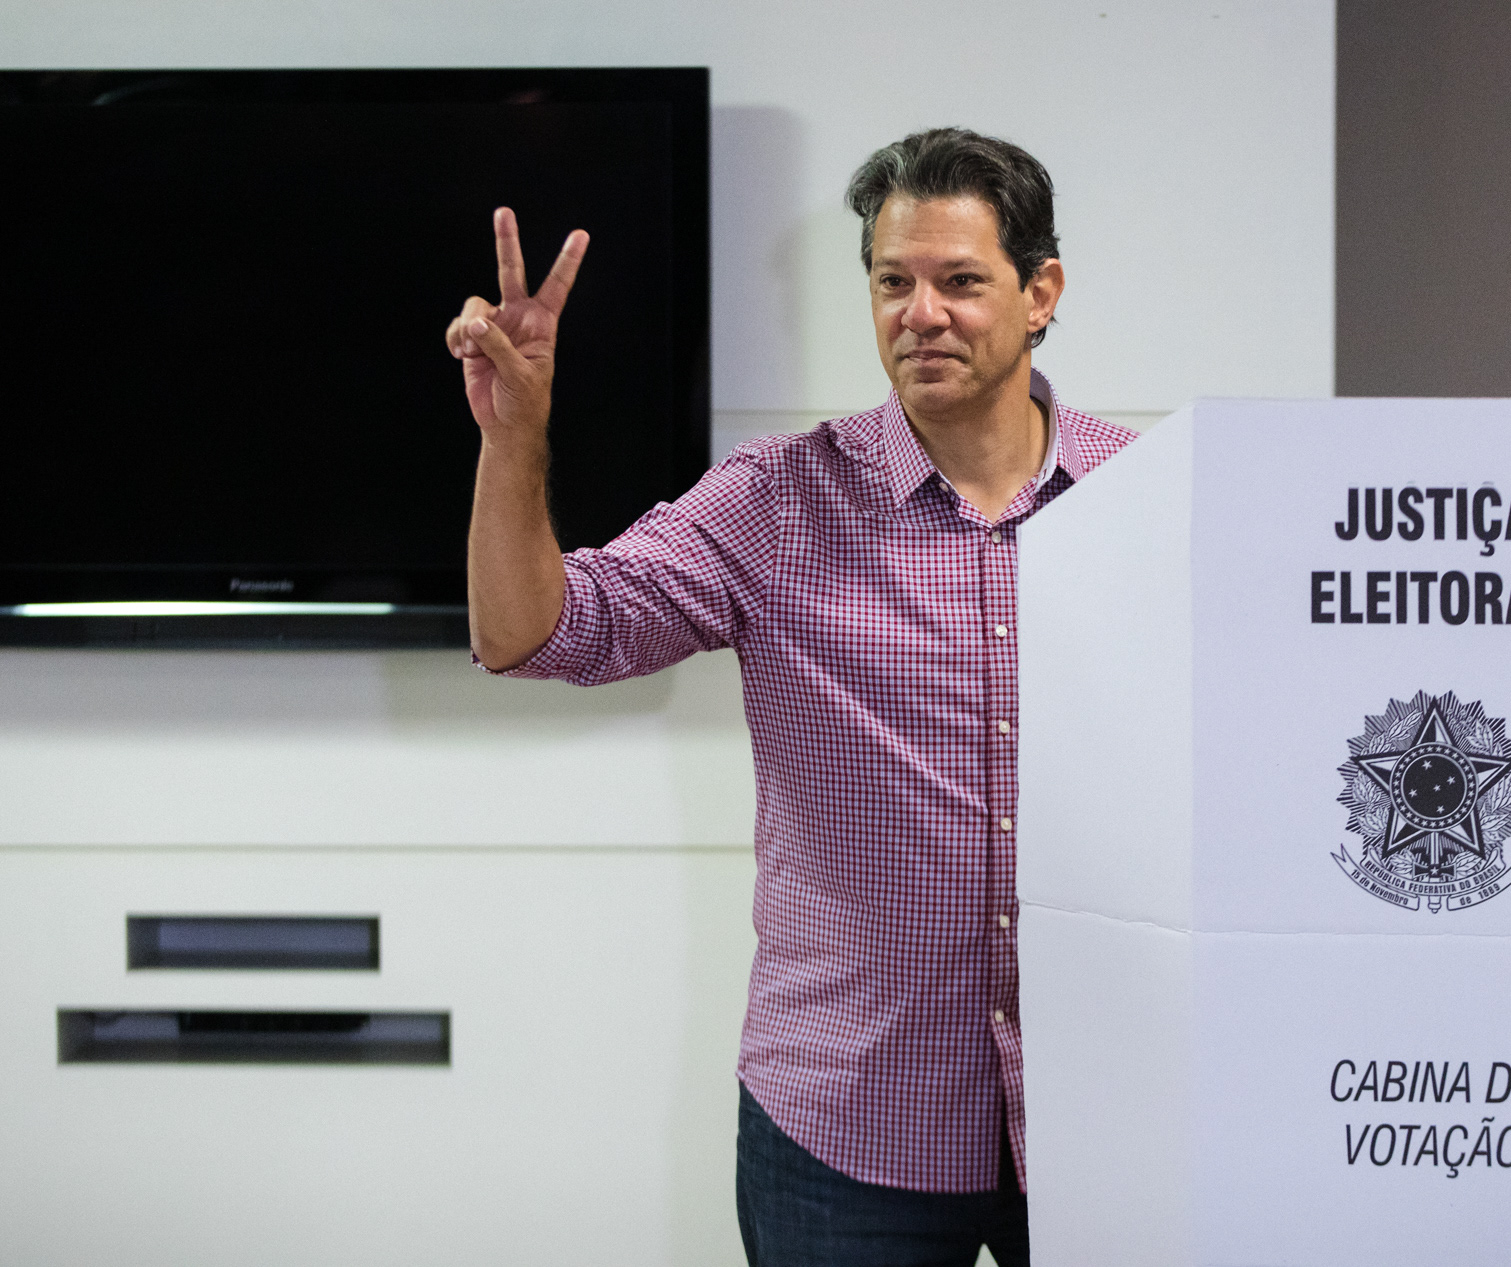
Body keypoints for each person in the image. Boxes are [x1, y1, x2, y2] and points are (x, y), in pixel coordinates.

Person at [446, 127, 1136, 1267]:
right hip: (844, 1130)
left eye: (961, 280)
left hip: (1107, 1116)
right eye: (892, 282)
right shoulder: (775, 503)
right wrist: (513, 441)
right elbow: (536, 632)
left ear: (1040, 291)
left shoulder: (1147, 500)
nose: (922, 312)